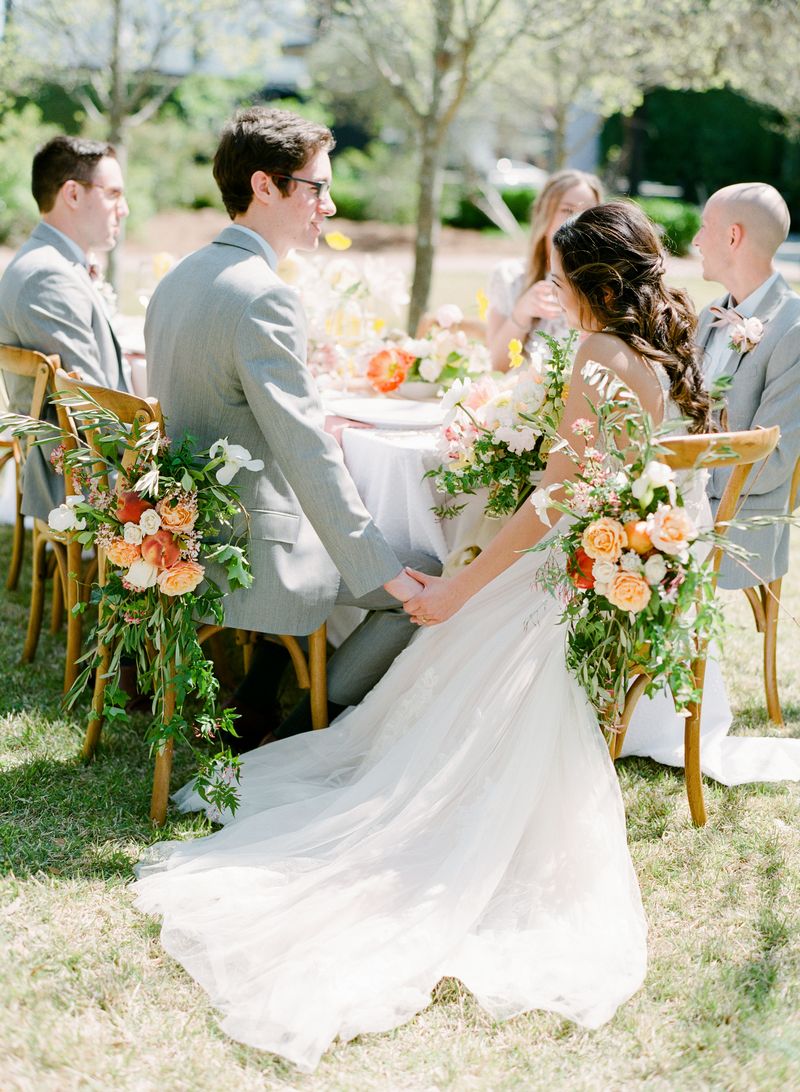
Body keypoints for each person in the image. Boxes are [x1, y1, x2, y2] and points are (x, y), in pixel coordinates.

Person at [133, 203, 713, 1070]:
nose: (550, 289)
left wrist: (465, 586)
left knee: (451, 662)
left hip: (549, 571)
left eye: (559, 277)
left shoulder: (596, 355)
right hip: (581, 571)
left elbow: (557, 493)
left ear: (591, 283)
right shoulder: (654, 360)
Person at [144, 107, 436, 748]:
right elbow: (308, 456)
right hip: (248, 553)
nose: (328, 206)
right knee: (425, 574)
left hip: (185, 536)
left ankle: (266, 697)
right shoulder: (263, 296)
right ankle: (301, 737)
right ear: (265, 186)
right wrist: (383, 571)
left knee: (376, 556)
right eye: (316, 187)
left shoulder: (177, 279)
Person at [0, 135, 131, 520]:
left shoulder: (52, 262)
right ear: (72, 194)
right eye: (113, 194)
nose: (123, 210)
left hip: (84, 462)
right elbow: (95, 404)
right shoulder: (48, 275)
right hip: (82, 478)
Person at [693, 182, 800, 591]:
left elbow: (771, 459)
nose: (697, 241)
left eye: (705, 227)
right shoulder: (711, 315)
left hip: (736, 521)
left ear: (733, 236)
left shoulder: (793, 327)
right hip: (683, 498)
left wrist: (684, 475)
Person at [486, 168, 602, 370]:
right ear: (544, 214)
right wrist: (521, 312)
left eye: (588, 212)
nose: (577, 221)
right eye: (567, 210)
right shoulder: (509, 276)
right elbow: (497, 366)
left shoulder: (606, 283)